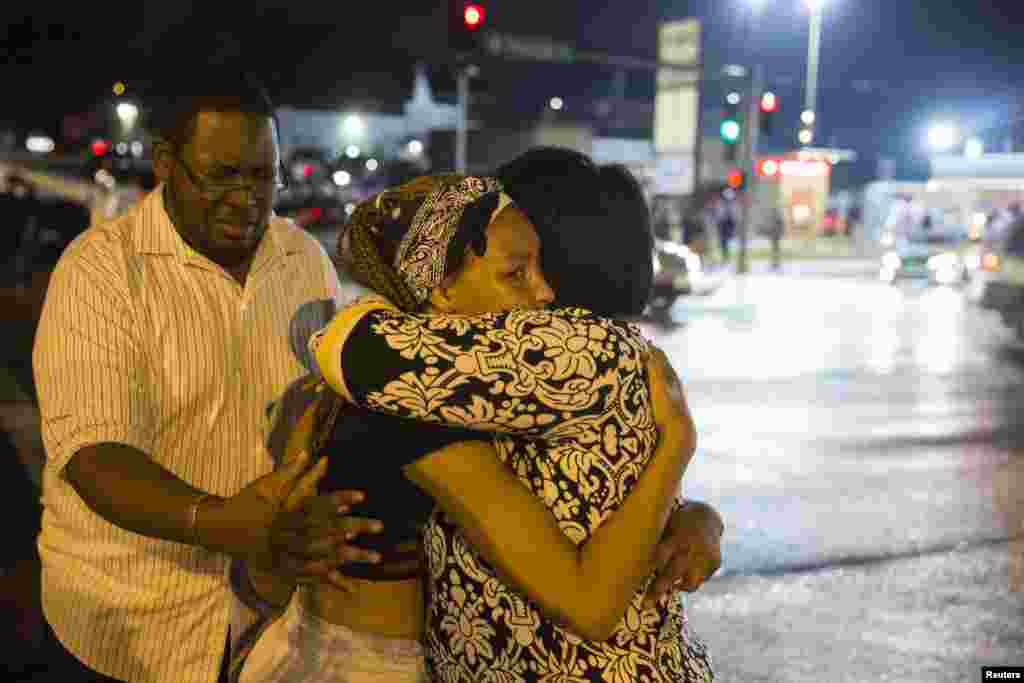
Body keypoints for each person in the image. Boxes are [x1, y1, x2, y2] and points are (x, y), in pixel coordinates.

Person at [240, 169, 717, 681]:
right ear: (441, 289)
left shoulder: (464, 393)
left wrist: (696, 514)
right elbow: (588, 603)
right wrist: (676, 451)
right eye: (516, 273)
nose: (544, 295)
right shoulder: (417, 411)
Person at [31, 70, 387, 683]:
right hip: (130, 624)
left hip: (262, 621)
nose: (247, 198)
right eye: (223, 175)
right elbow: (93, 454)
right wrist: (228, 524)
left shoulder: (302, 260)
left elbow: (320, 407)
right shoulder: (100, 273)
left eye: (261, 176)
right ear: (167, 163)